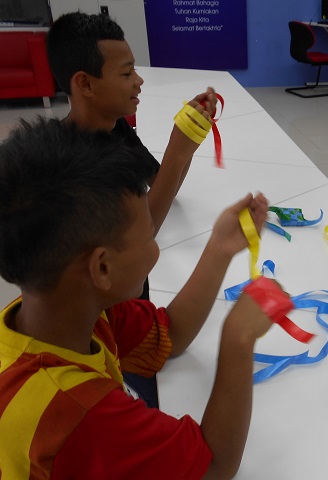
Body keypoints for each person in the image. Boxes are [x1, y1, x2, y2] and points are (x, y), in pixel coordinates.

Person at [0, 118, 274, 479]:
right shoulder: (82, 414)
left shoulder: (63, 312)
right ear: (102, 267)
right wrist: (238, 339)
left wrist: (220, 247)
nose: (155, 249)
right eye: (149, 236)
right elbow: (214, 467)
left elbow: (169, 334)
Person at [47, 11, 217, 404]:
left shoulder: (116, 128)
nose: (138, 81)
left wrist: (187, 138)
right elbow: (143, 234)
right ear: (84, 84)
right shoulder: (68, 166)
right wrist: (178, 152)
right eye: (126, 74)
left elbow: (160, 187)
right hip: (110, 318)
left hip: (131, 301)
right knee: (136, 387)